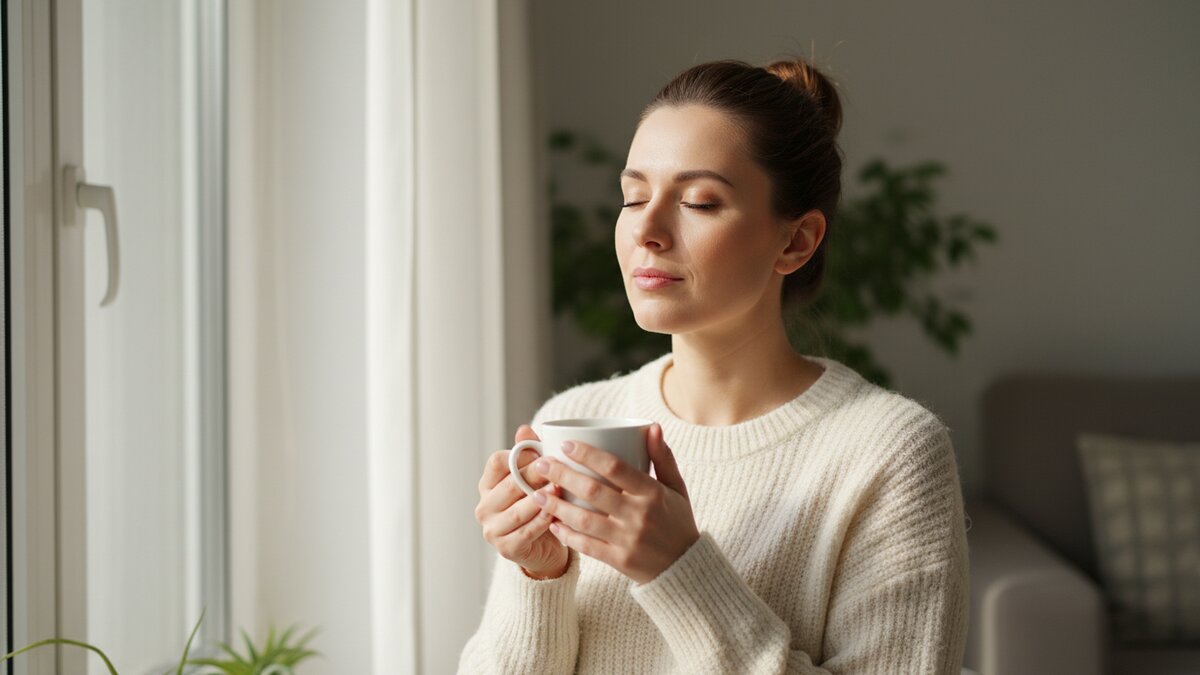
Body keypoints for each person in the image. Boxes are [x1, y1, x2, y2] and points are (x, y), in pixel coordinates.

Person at [459, 57, 969, 674]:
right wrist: (538, 578)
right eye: (633, 197)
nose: (646, 229)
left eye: (699, 203)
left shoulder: (888, 453)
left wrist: (679, 569)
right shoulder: (573, 418)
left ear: (796, 241)